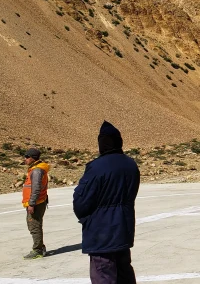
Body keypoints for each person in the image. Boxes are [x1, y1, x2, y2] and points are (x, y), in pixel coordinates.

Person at [73, 121, 140, 284]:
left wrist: (86, 218)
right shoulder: (131, 165)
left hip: (101, 233)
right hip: (123, 229)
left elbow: (81, 202)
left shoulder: (97, 167)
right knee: (124, 273)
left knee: (104, 275)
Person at [22, 147, 50, 260]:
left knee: (34, 226)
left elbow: (36, 188)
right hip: (37, 201)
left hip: (36, 203)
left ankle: (38, 250)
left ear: (33, 158)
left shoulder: (37, 171)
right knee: (34, 224)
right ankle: (40, 247)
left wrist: (32, 203)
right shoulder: (35, 169)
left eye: (27, 157)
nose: (25, 159)